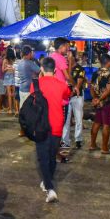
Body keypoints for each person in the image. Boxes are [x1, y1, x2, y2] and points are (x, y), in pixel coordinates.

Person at [31, 57, 71, 203]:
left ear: (41, 69)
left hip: (40, 124)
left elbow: (33, 100)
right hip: (57, 124)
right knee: (52, 155)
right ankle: (47, 182)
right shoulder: (62, 85)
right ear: (55, 70)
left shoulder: (35, 84)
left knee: (42, 157)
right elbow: (67, 95)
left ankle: (50, 188)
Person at [89, 59, 110, 153]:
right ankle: (104, 148)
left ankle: (92, 144)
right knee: (106, 124)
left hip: (97, 102)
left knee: (97, 122)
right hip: (106, 102)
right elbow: (108, 90)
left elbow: (91, 87)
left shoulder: (95, 73)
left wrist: (95, 99)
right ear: (108, 63)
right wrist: (100, 100)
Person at [62, 52, 87, 149]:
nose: (67, 59)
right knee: (66, 120)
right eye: (66, 57)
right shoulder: (64, 69)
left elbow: (79, 83)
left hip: (77, 96)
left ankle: (78, 139)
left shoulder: (80, 69)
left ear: (74, 58)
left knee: (78, 118)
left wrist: (73, 91)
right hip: (66, 97)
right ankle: (65, 141)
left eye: (69, 57)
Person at [2, 47, 17, 115]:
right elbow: (15, 70)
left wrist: (7, 68)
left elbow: (3, 70)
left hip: (7, 76)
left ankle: (10, 110)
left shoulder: (5, 60)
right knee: (14, 93)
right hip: (14, 76)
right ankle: (16, 109)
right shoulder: (15, 60)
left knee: (9, 94)